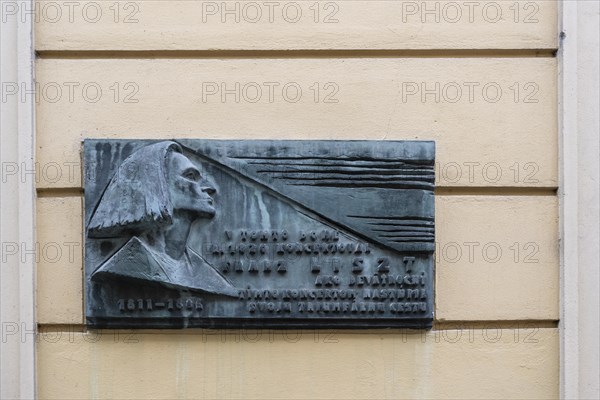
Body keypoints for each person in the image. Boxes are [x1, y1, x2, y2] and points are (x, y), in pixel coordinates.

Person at [87, 141, 237, 297]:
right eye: (191, 176)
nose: (209, 187)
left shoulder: (207, 275)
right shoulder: (122, 267)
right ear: (157, 186)